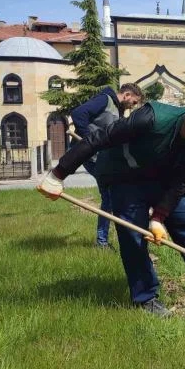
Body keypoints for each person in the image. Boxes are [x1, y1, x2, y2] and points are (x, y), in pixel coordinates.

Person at [37, 102, 185, 317]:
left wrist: (159, 217)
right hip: (125, 176)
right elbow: (98, 139)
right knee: (132, 234)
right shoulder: (150, 118)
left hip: (164, 178)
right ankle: (145, 298)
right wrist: (58, 174)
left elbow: (182, 180)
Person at [71, 83, 143, 248]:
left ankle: (107, 239)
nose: (132, 106)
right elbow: (78, 114)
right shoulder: (105, 100)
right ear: (126, 95)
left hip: (102, 158)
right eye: (133, 102)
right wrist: (90, 141)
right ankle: (103, 241)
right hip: (92, 157)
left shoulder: (117, 110)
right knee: (110, 196)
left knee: (113, 195)